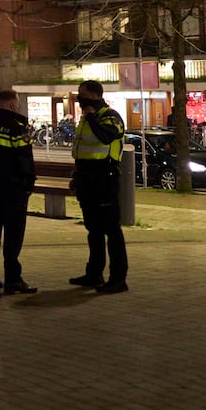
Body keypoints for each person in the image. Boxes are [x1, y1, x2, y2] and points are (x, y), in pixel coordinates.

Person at [71, 79, 129, 294]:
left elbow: (106, 138)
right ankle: (94, 273)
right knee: (93, 229)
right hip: (87, 179)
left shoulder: (110, 116)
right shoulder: (87, 118)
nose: (79, 99)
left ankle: (118, 279)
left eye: (82, 95)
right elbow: (82, 152)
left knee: (111, 230)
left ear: (95, 96)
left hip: (105, 179)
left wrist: (92, 116)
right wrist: (75, 176)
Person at [0, 90, 37, 294]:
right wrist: (29, 182)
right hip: (13, 188)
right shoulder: (16, 127)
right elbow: (24, 158)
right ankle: (13, 279)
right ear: (12, 105)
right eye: (17, 104)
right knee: (13, 234)